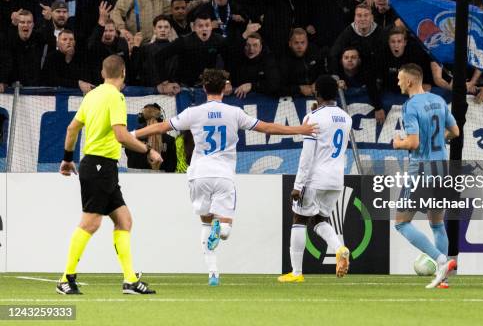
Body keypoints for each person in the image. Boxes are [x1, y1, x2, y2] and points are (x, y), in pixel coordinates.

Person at [132, 68, 317, 286]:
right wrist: (299, 129)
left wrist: (133, 134)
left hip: (198, 174)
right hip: (223, 175)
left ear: (203, 88)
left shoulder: (193, 112)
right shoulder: (234, 113)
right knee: (225, 230)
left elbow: (163, 126)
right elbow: (267, 127)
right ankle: (221, 229)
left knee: (205, 224)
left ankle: (213, 274)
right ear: (224, 88)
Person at [57, 55, 162, 295]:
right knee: (90, 223)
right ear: (123, 72)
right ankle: (65, 278)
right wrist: (149, 150)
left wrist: (67, 158)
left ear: (103, 73)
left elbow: (72, 127)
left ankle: (130, 280)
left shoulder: (92, 95)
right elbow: (121, 135)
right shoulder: (116, 97)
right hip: (100, 166)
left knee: (124, 220)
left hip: (99, 166)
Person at [278, 74, 352, 283]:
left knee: (299, 219)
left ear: (316, 92)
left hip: (315, 178)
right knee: (320, 219)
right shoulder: (346, 117)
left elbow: (307, 154)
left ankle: (297, 272)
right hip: (337, 179)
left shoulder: (313, 118)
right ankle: (340, 248)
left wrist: (298, 185)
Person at [392, 63, 459, 289]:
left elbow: (413, 142)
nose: (398, 82)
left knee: (401, 223)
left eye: (400, 78)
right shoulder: (439, 100)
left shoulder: (410, 106)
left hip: (422, 168)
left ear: (410, 81)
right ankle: (444, 278)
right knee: (437, 224)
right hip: (442, 166)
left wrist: (398, 143)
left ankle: (441, 261)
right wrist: (440, 140)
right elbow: (455, 132)